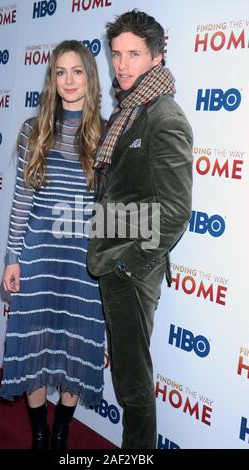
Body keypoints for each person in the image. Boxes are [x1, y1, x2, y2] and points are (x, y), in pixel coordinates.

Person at [87, 10, 193, 449]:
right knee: (127, 379)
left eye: (133, 54)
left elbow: (176, 211)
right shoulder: (129, 109)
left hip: (130, 268)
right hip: (112, 259)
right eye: (116, 54)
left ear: (156, 56)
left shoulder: (164, 117)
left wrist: (129, 265)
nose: (122, 64)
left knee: (133, 388)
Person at [0, 40, 105, 450]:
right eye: (60, 72)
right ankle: (40, 433)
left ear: (90, 77)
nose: (69, 80)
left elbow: (108, 207)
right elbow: (22, 199)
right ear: (52, 79)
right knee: (33, 346)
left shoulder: (106, 132)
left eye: (77, 71)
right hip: (39, 254)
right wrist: (12, 257)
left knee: (76, 346)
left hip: (83, 262)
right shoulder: (34, 128)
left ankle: (62, 431)